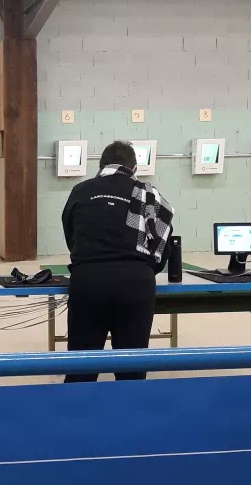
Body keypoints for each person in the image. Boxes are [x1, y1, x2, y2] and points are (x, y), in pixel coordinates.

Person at [61, 140, 174, 382]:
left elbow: (71, 235)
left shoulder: (81, 190)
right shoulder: (150, 195)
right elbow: (163, 246)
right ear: (134, 168)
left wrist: (89, 258)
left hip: (88, 283)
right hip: (136, 284)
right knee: (131, 371)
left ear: (101, 166)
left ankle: (75, 406)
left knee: (81, 369)